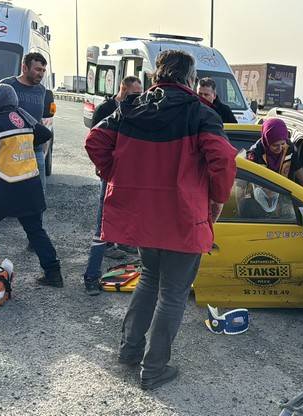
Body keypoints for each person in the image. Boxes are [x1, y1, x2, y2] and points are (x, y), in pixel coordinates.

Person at [85, 50, 236, 390]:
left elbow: (94, 141)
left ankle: (129, 351)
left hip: (142, 218)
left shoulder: (132, 107)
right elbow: (224, 161)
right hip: (183, 217)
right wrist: (217, 200)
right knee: (172, 293)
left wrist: (115, 174)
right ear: (190, 78)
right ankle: (153, 369)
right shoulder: (201, 112)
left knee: (149, 280)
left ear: (157, 75)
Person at [0, 84, 62, 288]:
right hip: (30, 184)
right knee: (36, 231)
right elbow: (45, 134)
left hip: (4, 185)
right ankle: (54, 274)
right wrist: (26, 142)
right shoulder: (23, 116)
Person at [83, 76, 143, 296]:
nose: (139, 97)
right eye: (136, 93)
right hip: (111, 176)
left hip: (132, 177)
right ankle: (91, 277)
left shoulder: (140, 112)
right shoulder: (107, 110)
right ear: (124, 90)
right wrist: (104, 167)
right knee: (102, 226)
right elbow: (93, 141)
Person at [0, 52, 49, 192]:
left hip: (35, 151)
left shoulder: (41, 90)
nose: (41, 74)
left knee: (38, 195)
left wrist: (44, 145)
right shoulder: (7, 86)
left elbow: (38, 118)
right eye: (37, 69)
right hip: (10, 151)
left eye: (43, 70)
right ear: (24, 68)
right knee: (8, 195)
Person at [247, 118, 303, 188]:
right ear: (267, 142)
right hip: (263, 192)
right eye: (275, 145)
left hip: (285, 191)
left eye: (282, 143)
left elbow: (297, 167)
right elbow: (248, 179)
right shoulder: (255, 153)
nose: (280, 148)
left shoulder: (289, 147)